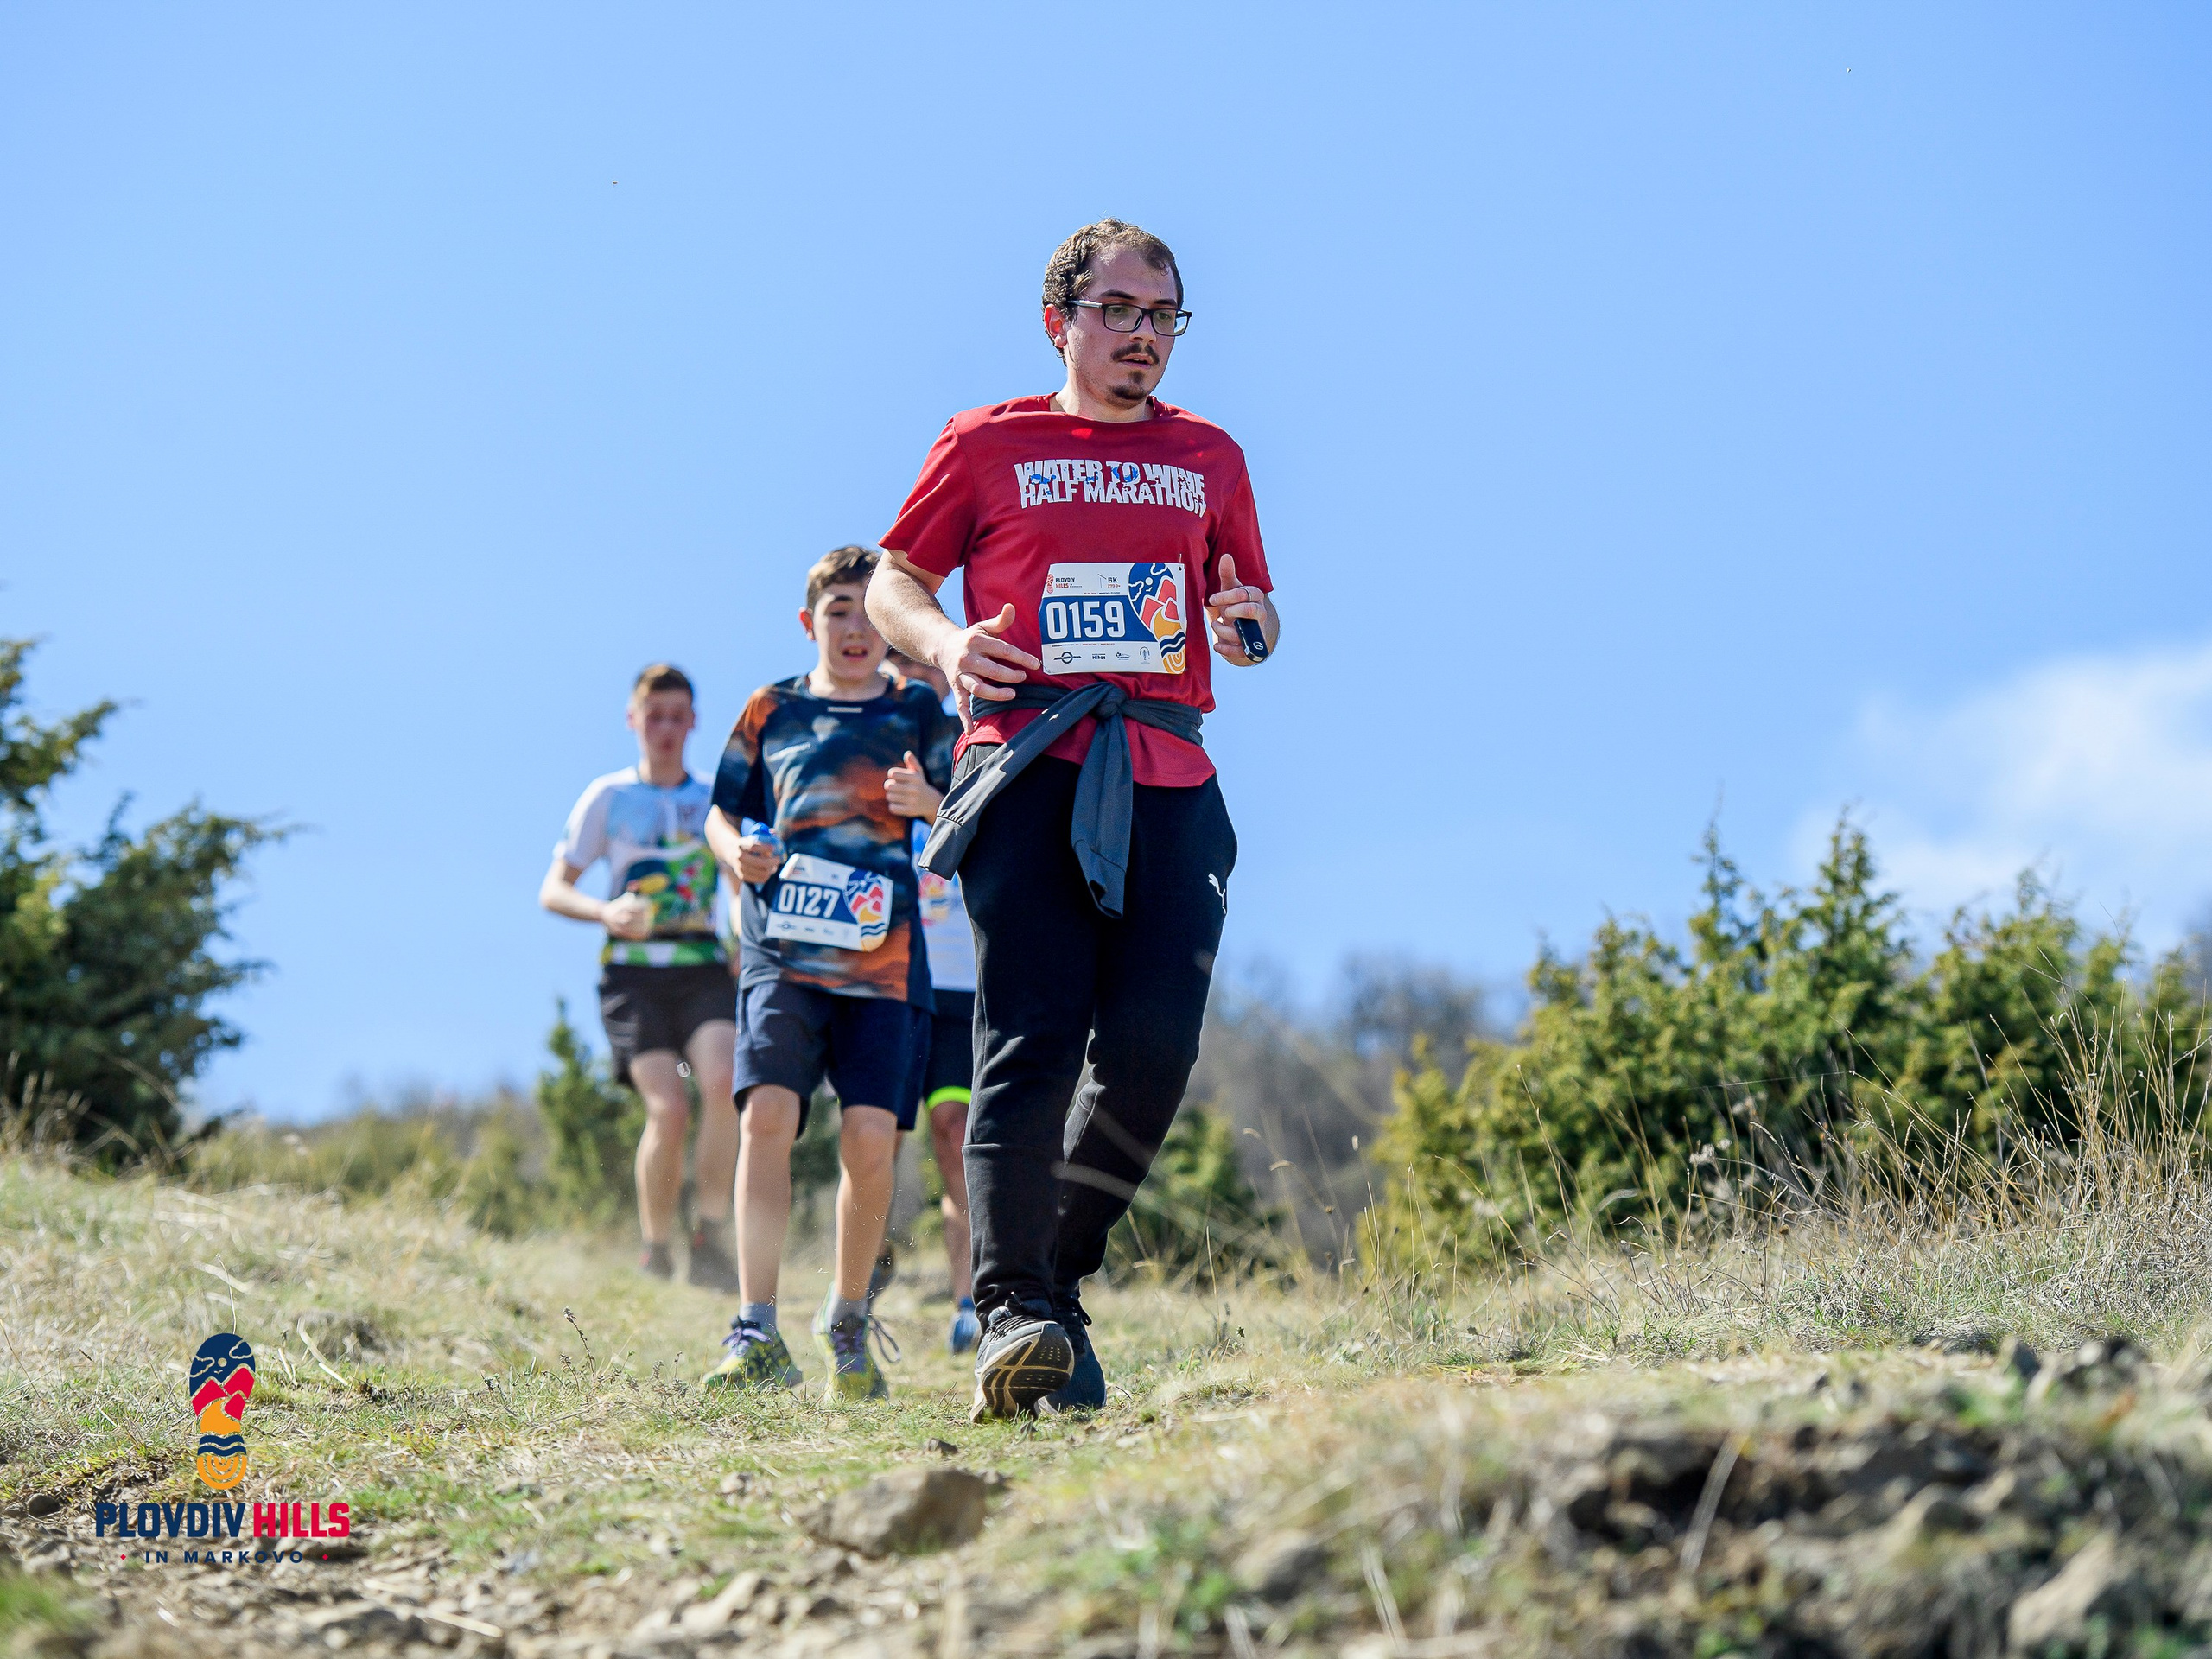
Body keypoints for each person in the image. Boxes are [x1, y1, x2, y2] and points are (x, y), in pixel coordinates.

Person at [866, 219, 1281, 1420]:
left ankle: (1055, 1274)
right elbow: (897, 578)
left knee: (1154, 1051)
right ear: (1062, 321)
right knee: (1031, 1039)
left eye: (1162, 317)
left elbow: (1249, 612)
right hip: (1028, 760)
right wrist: (948, 646)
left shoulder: (1210, 456)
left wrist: (1251, 623)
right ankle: (1010, 1310)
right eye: (1119, 312)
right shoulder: (989, 442)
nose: (1142, 336)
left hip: (1168, 777)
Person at [697, 545, 957, 1402]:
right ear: (810, 624)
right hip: (783, 950)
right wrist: (738, 851)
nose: (853, 629)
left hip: (886, 962)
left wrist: (933, 808)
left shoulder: (919, 710)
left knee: (870, 1142)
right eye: (837, 612)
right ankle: (754, 1327)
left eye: (866, 612)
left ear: (888, 623)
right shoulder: (769, 709)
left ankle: (846, 1319)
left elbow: (973, 802)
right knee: (767, 1116)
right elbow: (721, 811)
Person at [541, 664, 740, 1288]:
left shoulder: (714, 796)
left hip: (705, 965)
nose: (665, 728)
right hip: (631, 976)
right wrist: (606, 912)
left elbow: (737, 885)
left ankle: (708, 1235)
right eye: (654, 715)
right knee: (668, 1108)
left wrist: (743, 939)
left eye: (677, 716)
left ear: (694, 722)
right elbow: (553, 889)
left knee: (725, 1079)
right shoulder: (608, 797)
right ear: (633, 719)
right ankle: (656, 1246)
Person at [885, 649, 981, 1355]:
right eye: (900, 669)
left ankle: (970, 1300)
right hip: (884, 982)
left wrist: (936, 806)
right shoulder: (866, 747)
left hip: (959, 982)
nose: (912, 681)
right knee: (873, 1139)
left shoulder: (972, 744)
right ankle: (857, 1289)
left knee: (956, 1135)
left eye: (923, 668)